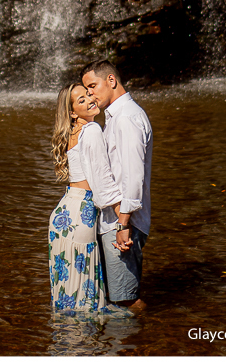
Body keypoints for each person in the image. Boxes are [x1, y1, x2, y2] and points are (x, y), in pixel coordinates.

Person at [81, 60, 152, 314]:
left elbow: (133, 177)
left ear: (111, 80)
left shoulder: (126, 119)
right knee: (117, 296)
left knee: (125, 300)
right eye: (86, 90)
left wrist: (123, 224)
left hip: (122, 223)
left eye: (92, 86)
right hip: (116, 220)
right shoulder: (116, 117)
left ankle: (148, 332)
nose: (90, 94)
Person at [48, 82, 125, 315]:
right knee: (85, 296)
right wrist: (123, 221)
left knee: (68, 290)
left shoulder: (73, 132)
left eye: (88, 94)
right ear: (73, 113)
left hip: (63, 214)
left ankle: (65, 335)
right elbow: (102, 182)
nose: (90, 99)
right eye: (81, 100)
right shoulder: (91, 130)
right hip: (81, 215)